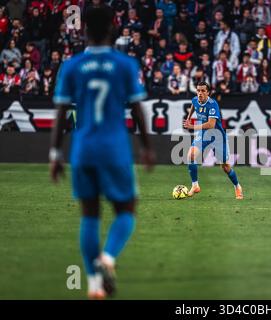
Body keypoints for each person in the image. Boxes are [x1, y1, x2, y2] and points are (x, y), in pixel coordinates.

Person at [50, 6, 154, 299]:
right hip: (114, 148)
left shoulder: (71, 65)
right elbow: (137, 109)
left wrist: (55, 155)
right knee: (127, 209)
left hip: (82, 149)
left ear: (84, 30)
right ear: (112, 28)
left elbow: (60, 113)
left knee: (90, 215)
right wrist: (147, 147)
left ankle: (95, 285)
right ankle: (108, 257)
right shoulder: (125, 64)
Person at [183, 81, 243, 200]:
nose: (200, 93)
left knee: (225, 167)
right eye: (198, 90)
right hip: (203, 134)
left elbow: (211, 125)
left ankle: (237, 186)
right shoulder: (195, 99)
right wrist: (188, 118)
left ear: (208, 93)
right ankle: (195, 186)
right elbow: (193, 105)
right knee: (191, 155)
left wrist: (192, 127)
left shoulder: (212, 104)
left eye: (203, 91)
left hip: (217, 136)